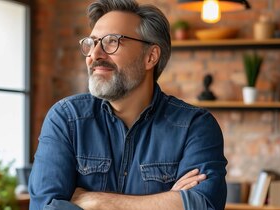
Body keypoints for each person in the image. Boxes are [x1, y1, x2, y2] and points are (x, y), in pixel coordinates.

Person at [28, 0, 227, 209]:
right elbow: (44, 206)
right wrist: (169, 201)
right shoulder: (66, 119)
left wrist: (95, 201)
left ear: (150, 57)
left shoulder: (195, 126)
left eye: (112, 41)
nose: (94, 55)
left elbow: (203, 204)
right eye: (92, 42)